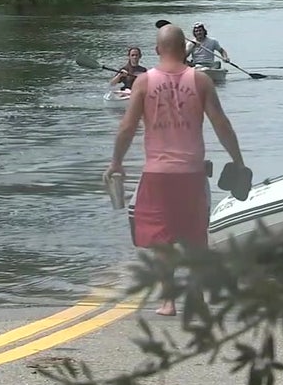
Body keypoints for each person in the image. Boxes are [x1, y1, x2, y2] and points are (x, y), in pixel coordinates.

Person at [103, 23, 246, 317]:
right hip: (191, 171)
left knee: (161, 238)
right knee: (195, 237)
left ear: (157, 50)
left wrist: (116, 161)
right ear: (184, 50)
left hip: (156, 171)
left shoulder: (144, 83)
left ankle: (168, 300)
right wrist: (238, 160)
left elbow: (127, 126)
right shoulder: (200, 80)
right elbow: (222, 124)